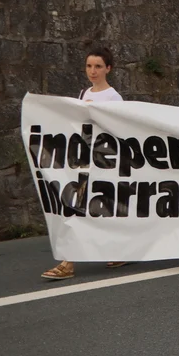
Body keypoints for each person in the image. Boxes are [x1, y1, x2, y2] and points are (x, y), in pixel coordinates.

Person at [42, 47, 126, 281]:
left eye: (98, 66)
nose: (93, 71)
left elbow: (118, 129)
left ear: (108, 68)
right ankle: (71, 261)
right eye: (89, 66)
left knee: (95, 207)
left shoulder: (113, 97)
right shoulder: (83, 93)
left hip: (102, 161)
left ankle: (71, 262)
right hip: (82, 160)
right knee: (78, 205)